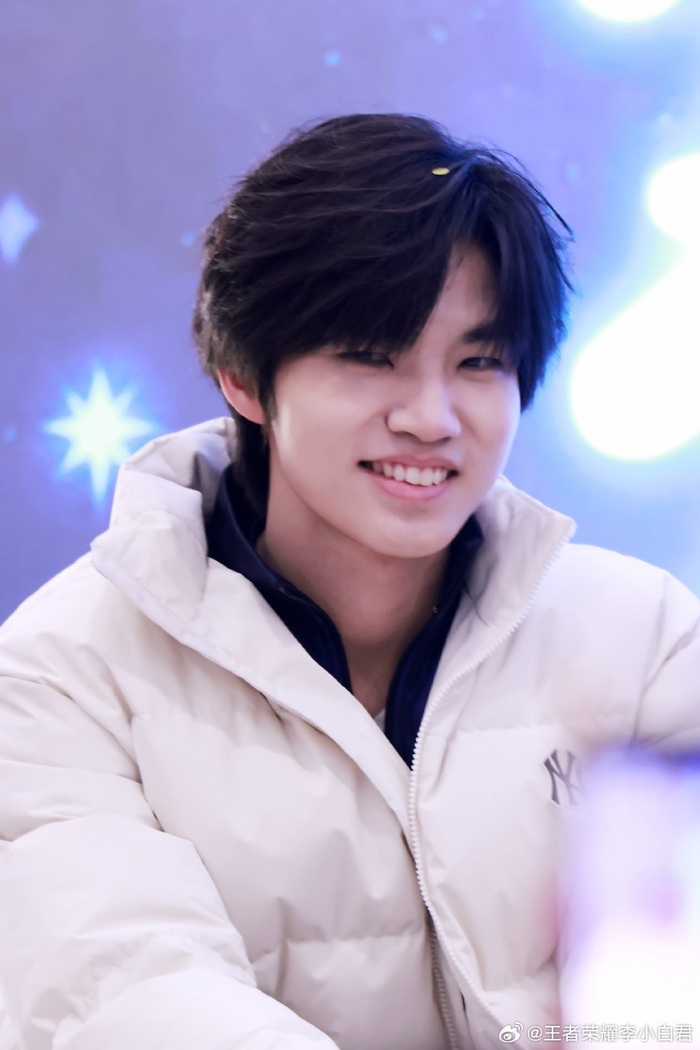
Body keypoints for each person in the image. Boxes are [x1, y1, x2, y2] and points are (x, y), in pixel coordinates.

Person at [0, 113, 698, 1050]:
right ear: (241, 375)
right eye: (371, 357)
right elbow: (130, 993)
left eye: (479, 362)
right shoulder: (62, 672)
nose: (431, 417)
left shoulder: (643, 635)